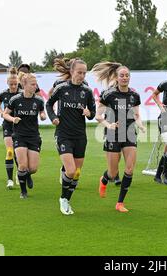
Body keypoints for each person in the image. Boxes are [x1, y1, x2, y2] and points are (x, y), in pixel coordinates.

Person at [92, 62, 147, 213]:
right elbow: (98, 116)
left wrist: (140, 125)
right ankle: (104, 180)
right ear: (116, 78)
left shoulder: (134, 95)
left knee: (129, 169)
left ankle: (120, 203)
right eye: (122, 75)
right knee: (113, 173)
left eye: (127, 75)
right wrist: (108, 125)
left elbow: (136, 115)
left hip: (129, 134)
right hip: (112, 134)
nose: (125, 78)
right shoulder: (108, 94)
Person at [46, 58, 96, 215]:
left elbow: (92, 112)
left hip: (80, 136)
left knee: (76, 173)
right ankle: (63, 199)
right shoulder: (61, 88)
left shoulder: (87, 91)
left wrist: (89, 113)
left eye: (84, 73)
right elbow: (48, 104)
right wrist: (53, 117)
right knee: (71, 170)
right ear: (72, 72)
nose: (82, 75)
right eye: (79, 72)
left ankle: (67, 198)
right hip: (63, 134)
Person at [3, 73, 46, 199]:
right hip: (19, 136)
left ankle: (26, 175)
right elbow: (5, 114)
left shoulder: (38, 100)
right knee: (22, 165)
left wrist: (43, 116)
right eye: (32, 84)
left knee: (32, 168)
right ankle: (23, 192)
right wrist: (12, 118)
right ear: (24, 85)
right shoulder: (15, 99)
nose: (35, 87)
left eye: (36, 84)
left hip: (34, 136)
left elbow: (42, 111)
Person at [0, 67, 22, 189]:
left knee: (18, 153)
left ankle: (19, 173)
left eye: (15, 84)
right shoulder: (3, 94)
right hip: (7, 125)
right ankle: (10, 180)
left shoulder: (22, 93)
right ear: (7, 83)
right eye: (11, 84)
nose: (13, 86)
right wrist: (1, 112)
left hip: (20, 126)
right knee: (10, 151)